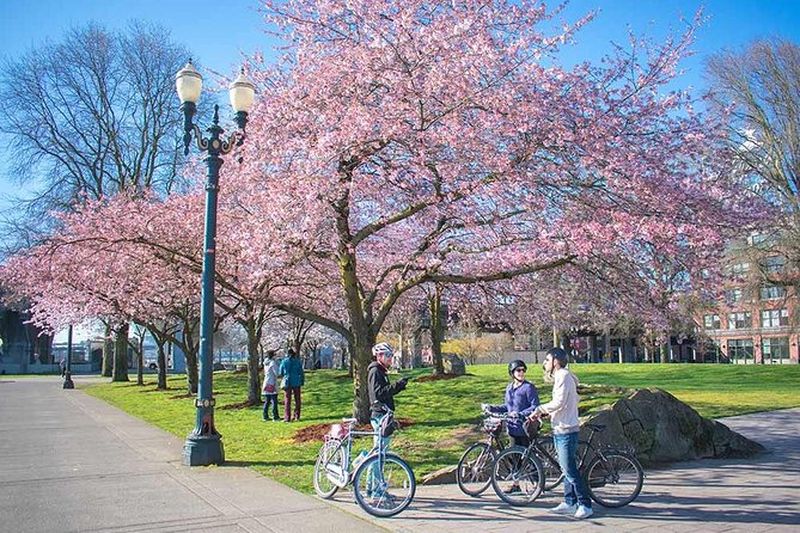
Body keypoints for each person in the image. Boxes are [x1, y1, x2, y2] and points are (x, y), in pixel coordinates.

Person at [529, 347, 593, 520]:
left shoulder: (563, 376)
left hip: (566, 429)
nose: (545, 363)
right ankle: (569, 501)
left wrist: (540, 409)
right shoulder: (562, 376)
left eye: (547, 360)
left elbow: (559, 401)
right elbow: (564, 403)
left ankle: (585, 504)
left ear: (556, 361)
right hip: (560, 428)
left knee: (569, 469)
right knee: (565, 468)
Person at [367, 342, 408, 499]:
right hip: (380, 416)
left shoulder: (380, 371)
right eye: (388, 356)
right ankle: (377, 490)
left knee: (377, 453)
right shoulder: (375, 371)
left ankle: (371, 488)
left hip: (383, 415)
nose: (391, 359)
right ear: (379, 356)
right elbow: (379, 394)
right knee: (379, 455)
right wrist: (398, 386)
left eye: (391, 355)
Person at [483, 359, 540, 449]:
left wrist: (520, 414)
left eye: (523, 370)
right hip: (512, 428)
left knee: (526, 458)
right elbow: (507, 406)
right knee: (514, 457)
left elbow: (535, 406)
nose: (521, 372)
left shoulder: (528, 387)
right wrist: (492, 408)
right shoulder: (509, 388)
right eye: (518, 370)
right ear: (512, 373)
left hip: (525, 428)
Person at [279, 348, 305, 422]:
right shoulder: (297, 361)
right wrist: (302, 381)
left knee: (287, 400)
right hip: (296, 381)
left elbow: (280, 372)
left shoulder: (284, 361)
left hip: (288, 382)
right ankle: (297, 416)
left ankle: (287, 417)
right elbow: (301, 372)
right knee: (297, 399)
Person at [261, 350, 280, 421]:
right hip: (272, 383)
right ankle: (275, 416)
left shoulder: (266, 362)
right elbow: (277, 373)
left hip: (266, 382)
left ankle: (265, 416)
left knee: (267, 400)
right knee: (274, 400)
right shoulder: (272, 363)